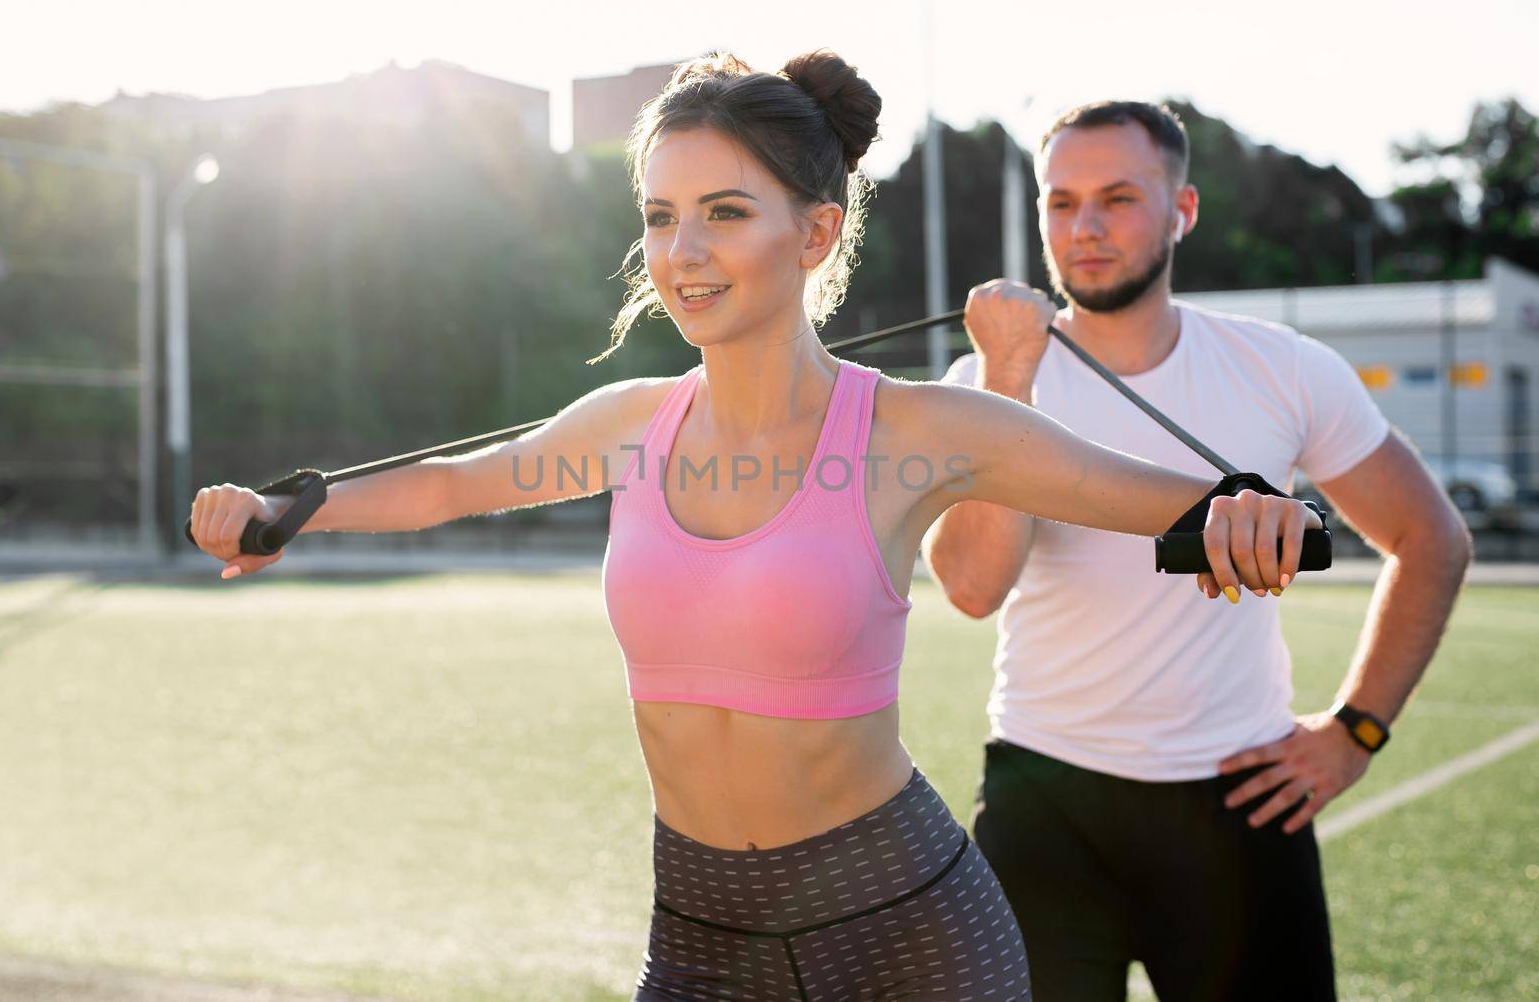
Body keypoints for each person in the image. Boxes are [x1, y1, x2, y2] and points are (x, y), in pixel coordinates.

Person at [191, 58, 1321, 1002]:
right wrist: (287, 511)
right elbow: (446, 486)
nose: (683, 252)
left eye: (725, 213)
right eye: (661, 216)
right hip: (699, 930)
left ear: (815, 231)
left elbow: (1176, 501)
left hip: (905, 931)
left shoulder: (917, 428)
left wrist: (1261, 513)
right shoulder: (630, 423)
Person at [925, 100, 1472, 1001]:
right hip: (1042, 798)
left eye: (1117, 198)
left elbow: (1431, 538)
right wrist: (1009, 377)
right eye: (1060, 203)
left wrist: (1355, 732)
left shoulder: (1282, 367)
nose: (1085, 228)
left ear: (1182, 210)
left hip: (1236, 797)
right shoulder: (987, 378)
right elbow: (974, 586)